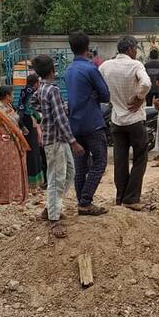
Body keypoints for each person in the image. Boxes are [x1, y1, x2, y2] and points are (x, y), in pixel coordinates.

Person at [31, 54, 85, 238]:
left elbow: (35, 106)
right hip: (56, 140)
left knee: (69, 172)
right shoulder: (51, 90)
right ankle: (53, 219)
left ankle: (50, 208)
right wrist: (74, 142)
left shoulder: (41, 89)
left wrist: (43, 117)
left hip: (56, 140)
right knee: (56, 178)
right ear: (53, 70)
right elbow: (60, 120)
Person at [99, 36, 152, 210]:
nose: (136, 51)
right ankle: (131, 197)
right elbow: (146, 83)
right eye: (135, 48)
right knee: (140, 157)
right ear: (130, 49)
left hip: (116, 119)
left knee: (120, 160)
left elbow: (98, 85)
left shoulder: (105, 66)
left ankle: (120, 196)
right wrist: (139, 97)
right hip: (135, 119)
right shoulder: (136, 65)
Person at [65, 31, 111, 216]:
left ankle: (81, 201)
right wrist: (94, 95)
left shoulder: (68, 70)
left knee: (81, 165)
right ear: (87, 47)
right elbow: (106, 95)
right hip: (92, 123)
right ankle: (85, 201)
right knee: (99, 162)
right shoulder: (91, 69)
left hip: (75, 124)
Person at [18, 74, 46, 188]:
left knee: (30, 151)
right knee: (33, 151)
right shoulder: (32, 92)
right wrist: (37, 117)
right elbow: (30, 108)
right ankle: (33, 181)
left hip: (25, 121)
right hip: (28, 122)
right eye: (38, 83)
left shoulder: (24, 90)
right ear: (35, 83)